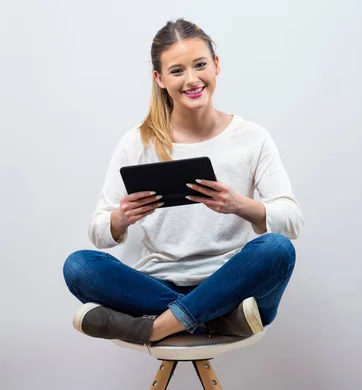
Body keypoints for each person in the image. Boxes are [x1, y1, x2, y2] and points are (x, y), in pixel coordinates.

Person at [62, 18, 303, 346]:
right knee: (79, 266)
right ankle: (213, 319)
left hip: (233, 283)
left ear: (216, 66)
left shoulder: (252, 138)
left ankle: (154, 327)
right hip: (160, 285)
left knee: (277, 249)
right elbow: (99, 232)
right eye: (177, 71)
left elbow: (292, 223)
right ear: (159, 79)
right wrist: (120, 219)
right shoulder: (137, 143)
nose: (192, 79)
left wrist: (240, 206)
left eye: (200, 65)